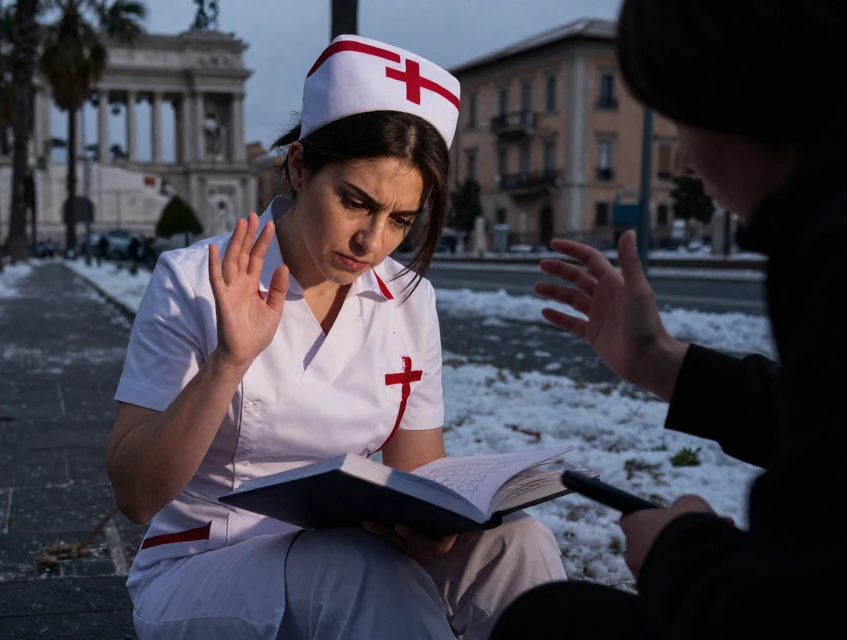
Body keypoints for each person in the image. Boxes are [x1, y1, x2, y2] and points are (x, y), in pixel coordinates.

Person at [492, 2, 847, 638]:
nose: (687, 162)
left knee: (549, 623)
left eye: (679, 116)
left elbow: (833, 604)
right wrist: (664, 364)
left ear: (736, 96)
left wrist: (680, 554)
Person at [107, 35, 567, 640]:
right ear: (300, 167)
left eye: (401, 219)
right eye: (356, 202)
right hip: (204, 565)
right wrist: (228, 362)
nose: (372, 242)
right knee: (357, 572)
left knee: (520, 546)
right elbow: (136, 495)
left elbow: (417, 474)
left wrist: (435, 521)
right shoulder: (193, 280)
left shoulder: (408, 299)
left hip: (351, 546)